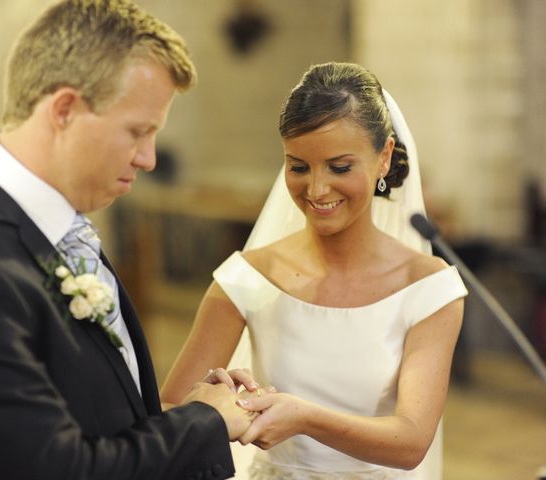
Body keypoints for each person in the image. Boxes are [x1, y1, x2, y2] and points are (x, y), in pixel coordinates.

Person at [0, 1, 257, 479]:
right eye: (138, 131)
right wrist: (203, 424)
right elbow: (53, 470)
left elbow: (98, 418)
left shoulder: (58, 229)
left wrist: (182, 411)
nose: (149, 158)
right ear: (65, 110)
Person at [161, 62, 468, 479]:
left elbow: (411, 441)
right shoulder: (247, 278)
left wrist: (304, 418)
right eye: (299, 167)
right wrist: (216, 405)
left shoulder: (428, 287)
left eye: (340, 167)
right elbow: (169, 412)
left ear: (384, 157)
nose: (317, 189)